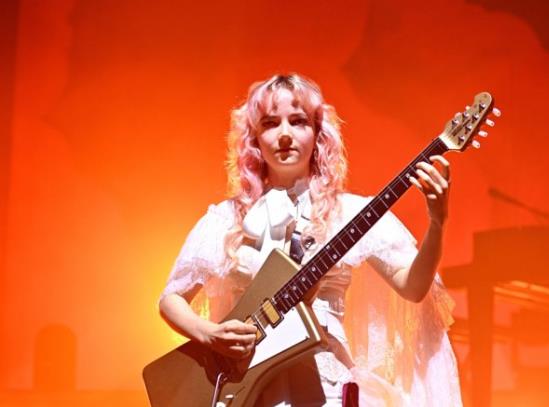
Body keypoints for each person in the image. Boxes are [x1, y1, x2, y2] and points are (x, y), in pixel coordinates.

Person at [158, 74, 462, 406]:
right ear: (254, 138)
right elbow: (171, 298)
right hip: (246, 389)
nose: (285, 134)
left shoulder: (349, 213)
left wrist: (437, 221)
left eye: (299, 121)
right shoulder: (226, 219)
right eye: (271, 123)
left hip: (325, 387)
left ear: (318, 134)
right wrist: (209, 334)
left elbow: (413, 287)